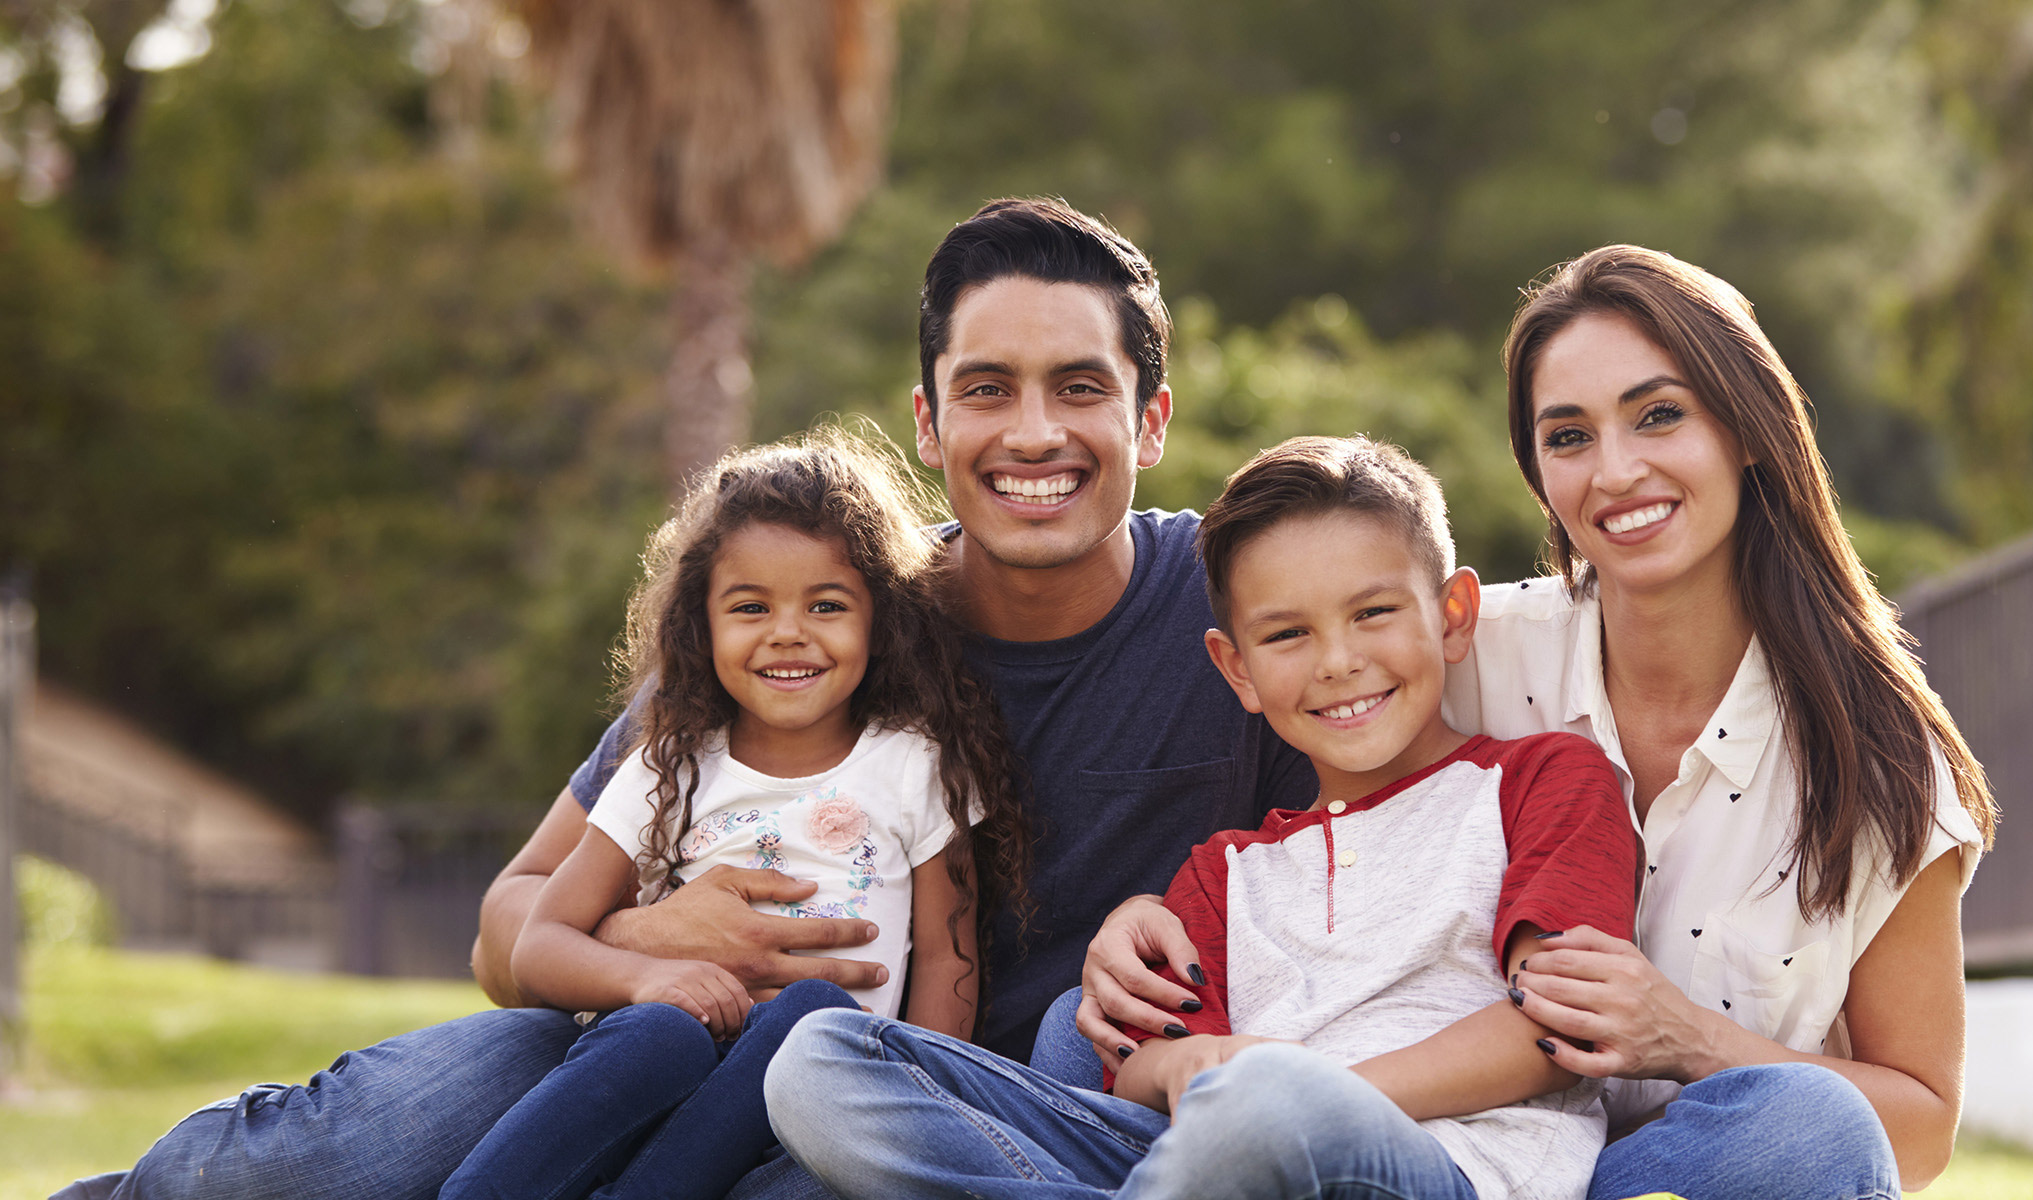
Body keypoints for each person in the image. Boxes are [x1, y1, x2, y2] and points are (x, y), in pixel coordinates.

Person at [65, 197, 1313, 1200]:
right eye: (987, 390)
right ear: (928, 425)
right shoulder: (818, 620)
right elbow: (507, 931)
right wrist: (652, 941)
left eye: (1078, 387)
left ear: (1150, 418)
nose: (1032, 433)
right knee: (375, 1131)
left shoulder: (1243, 615)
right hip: (667, 1046)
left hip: (930, 1117)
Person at [1074, 245, 1998, 1199]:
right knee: (1081, 1024)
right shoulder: (1468, 646)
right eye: (1568, 437)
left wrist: (1686, 1037)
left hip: (1666, 1166)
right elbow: (1322, 800)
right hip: (1406, 1142)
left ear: (1749, 428)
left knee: (1808, 1125)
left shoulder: (1877, 755)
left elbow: (1920, 1129)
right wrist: (1145, 918)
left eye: (1660, 415)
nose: (1617, 470)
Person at [766, 435, 1643, 1200]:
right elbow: (1147, 1067)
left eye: (1373, 613)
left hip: (1440, 1166)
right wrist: (1187, 1067)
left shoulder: (1542, 780)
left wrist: (1294, 1085)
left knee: (1260, 1108)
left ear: (1451, 615)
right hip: (1203, 1163)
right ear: (1238, 671)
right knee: (823, 1064)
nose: (1339, 662)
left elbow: (1554, 1024)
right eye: (1288, 635)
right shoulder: (1225, 871)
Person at [437, 430, 1028, 1200]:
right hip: (663, 1071)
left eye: (827, 604)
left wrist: (914, 1096)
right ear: (701, 624)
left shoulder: (915, 765)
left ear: (880, 619)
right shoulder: (669, 763)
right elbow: (538, 946)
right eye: (751, 606)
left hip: (815, 1099)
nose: (789, 631)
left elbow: (950, 959)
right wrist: (648, 979)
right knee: (658, 1031)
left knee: (817, 1014)